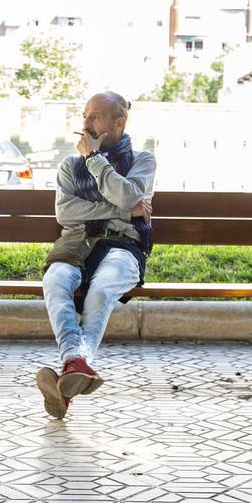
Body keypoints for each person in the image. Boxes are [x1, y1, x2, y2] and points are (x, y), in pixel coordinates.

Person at [37, 91, 155, 420]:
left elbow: (130, 193)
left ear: (119, 122)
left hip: (123, 244)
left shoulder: (142, 161)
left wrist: (94, 160)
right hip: (76, 242)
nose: (86, 123)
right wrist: (121, 207)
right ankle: (74, 367)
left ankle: (70, 366)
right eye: (85, 115)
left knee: (102, 289)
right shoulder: (69, 166)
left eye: (96, 117)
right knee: (56, 280)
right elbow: (66, 213)